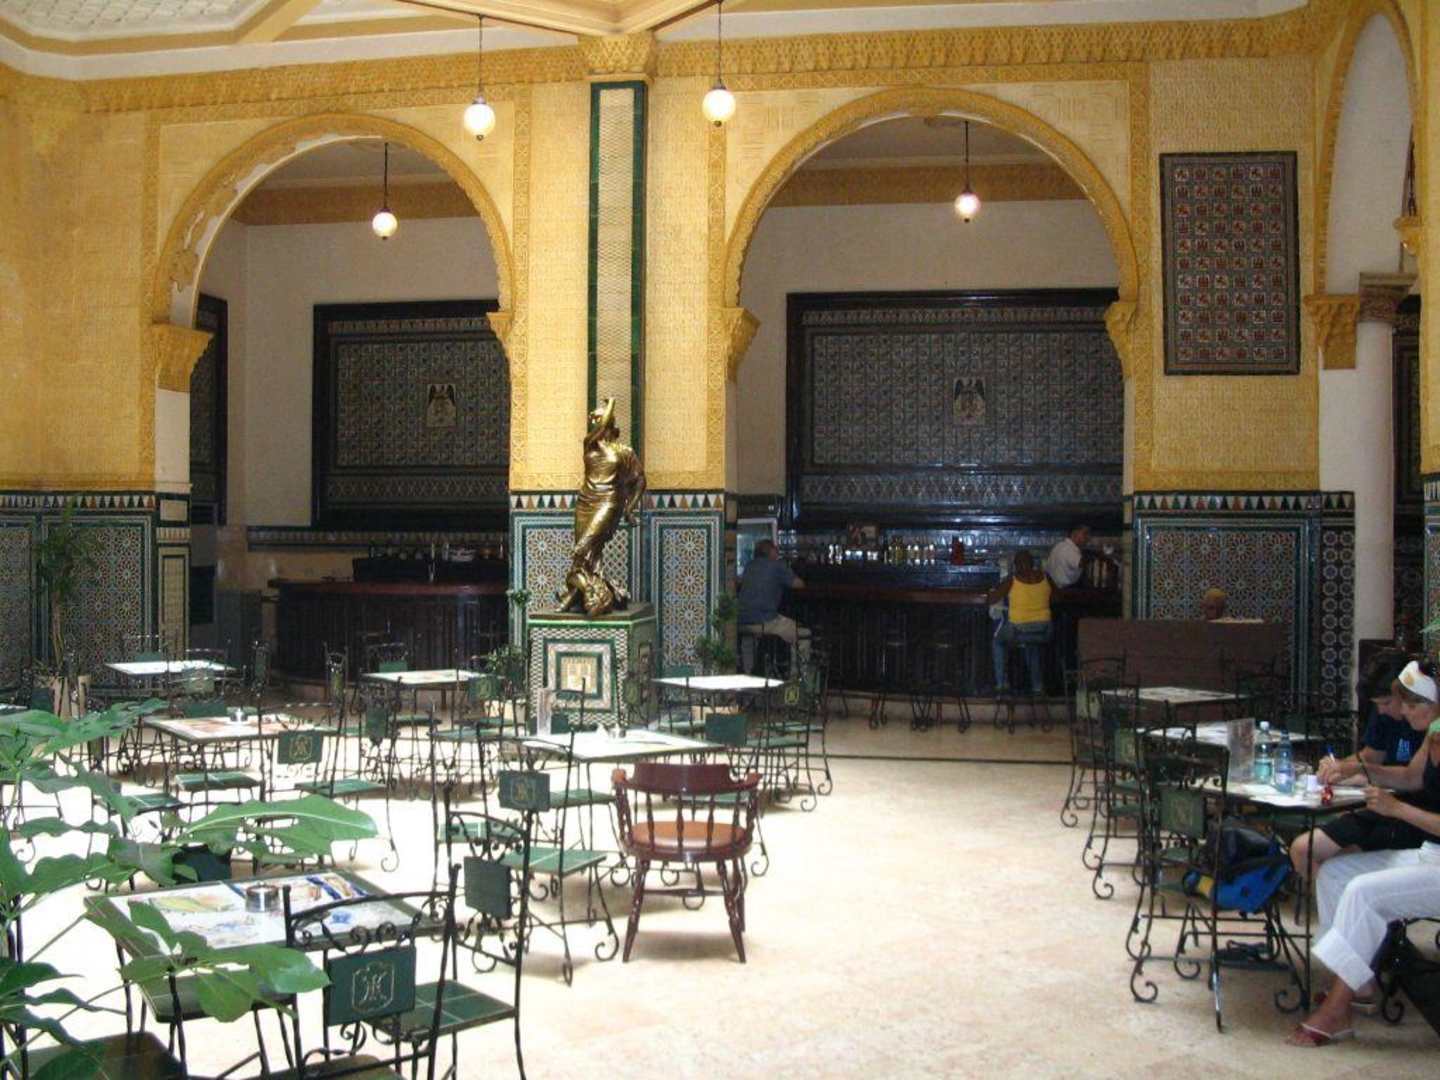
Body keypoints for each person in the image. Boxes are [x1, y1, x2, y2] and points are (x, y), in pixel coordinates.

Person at [1285, 669, 1440, 1046]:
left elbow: (1410, 802)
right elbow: (1411, 779)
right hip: (1431, 853)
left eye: (1412, 704)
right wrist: (1361, 771)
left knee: (1364, 892)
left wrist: (1397, 810)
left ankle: (1336, 1011)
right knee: (1335, 873)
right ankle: (1361, 983)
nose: (1403, 711)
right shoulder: (1434, 734)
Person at [1288, 659, 1437, 878]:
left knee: (1339, 866)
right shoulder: (1432, 730)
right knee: (1306, 851)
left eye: (1409, 705)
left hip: (1414, 819)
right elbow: (1406, 775)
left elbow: (1410, 783)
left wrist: (1393, 805)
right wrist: (1347, 768)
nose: (1403, 711)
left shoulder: (1428, 727)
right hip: (1389, 808)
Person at [557, 397, 646, 617]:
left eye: (597, 418)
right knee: (589, 555)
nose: (594, 422)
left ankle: (578, 593)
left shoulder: (624, 452)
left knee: (581, 550)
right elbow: (600, 427)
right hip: (585, 503)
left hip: (609, 502)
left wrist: (629, 509)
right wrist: (609, 408)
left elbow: (640, 480)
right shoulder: (590, 443)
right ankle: (583, 593)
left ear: (608, 420)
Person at [737, 539, 810, 674]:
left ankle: (748, 675)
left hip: (742, 621)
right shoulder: (777, 566)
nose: (778, 553)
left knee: (749, 641)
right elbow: (798, 584)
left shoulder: (749, 566)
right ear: (771, 551)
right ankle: (797, 677)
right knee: (803, 635)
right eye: (776, 550)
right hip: (765, 620)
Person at [987, 551, 1052, 695]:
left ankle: (1001, 684)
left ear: (1015, 566)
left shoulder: (1012, 579)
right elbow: (1057, 596)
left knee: (997, 641)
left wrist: (994, 589)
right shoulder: (1046, 577)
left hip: (1018, 630)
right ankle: (1037, 686)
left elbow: (992, 599)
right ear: (1033, 564)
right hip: (1044, 631)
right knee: (1032, 644)